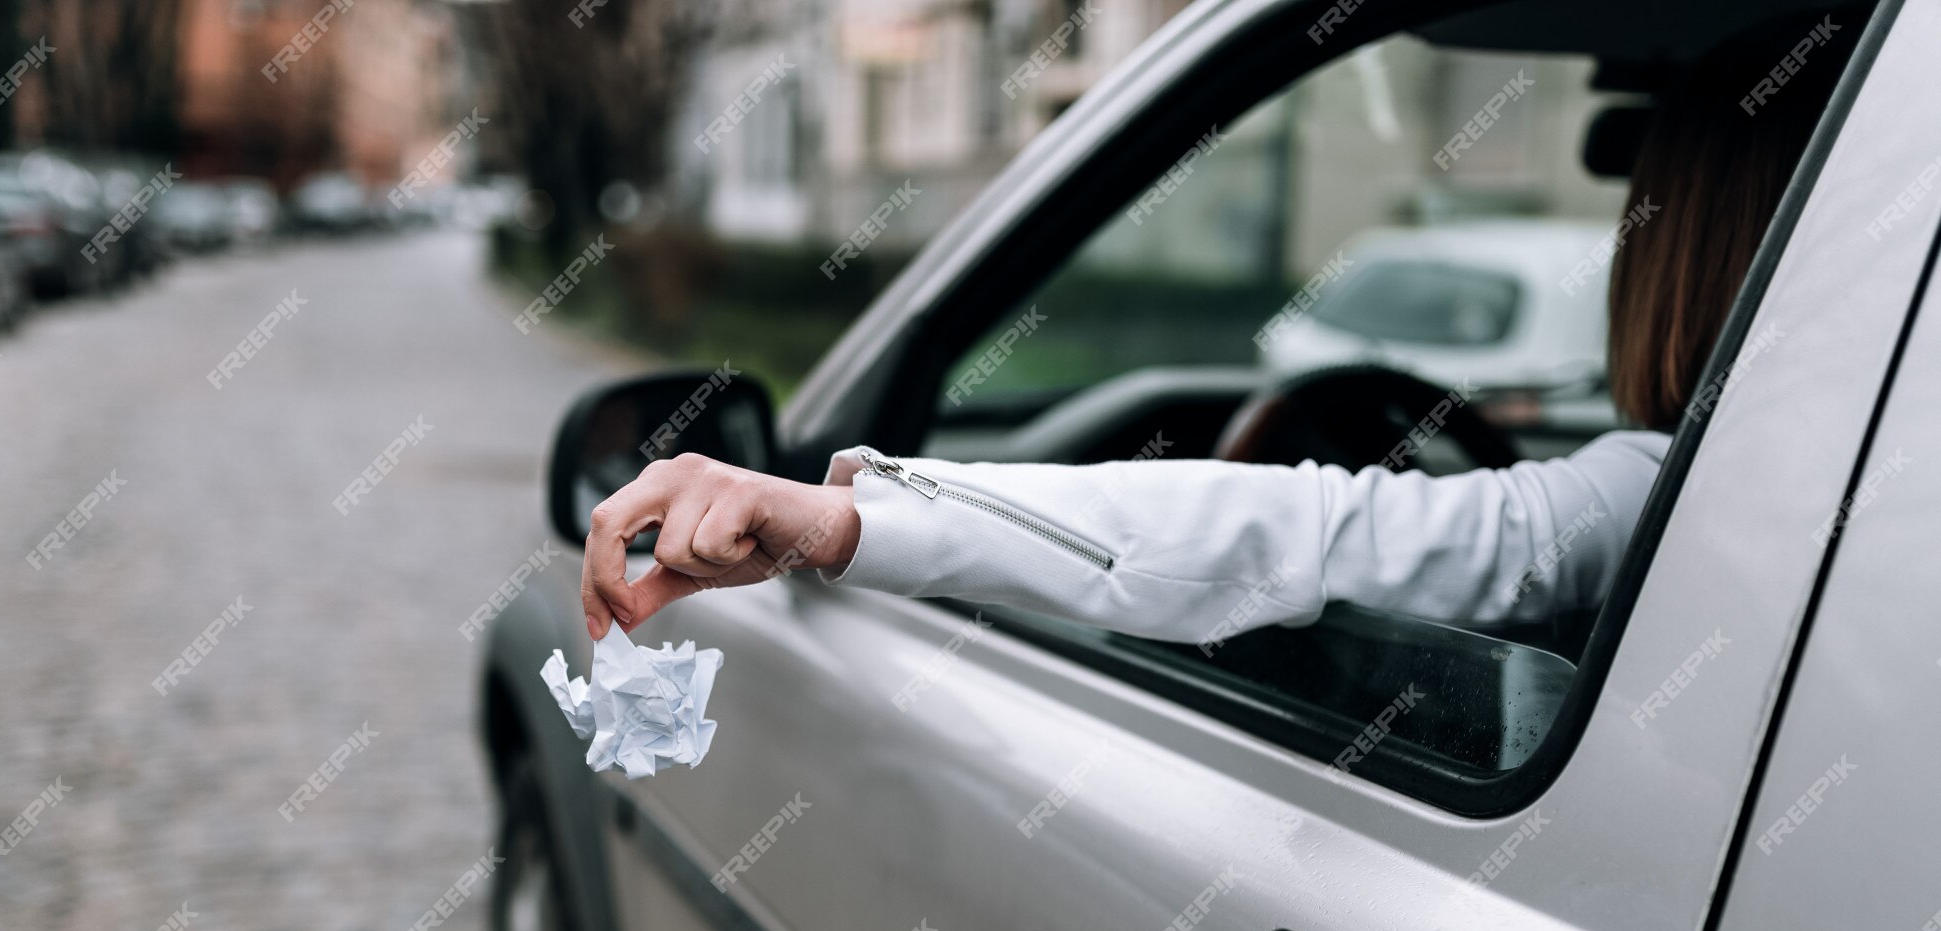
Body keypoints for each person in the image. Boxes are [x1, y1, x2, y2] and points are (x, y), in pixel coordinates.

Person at [579, 25, 1847, 647]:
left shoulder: (1664, 495)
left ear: (1679, 255)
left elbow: (1296, 531)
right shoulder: (1828, 475)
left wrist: (849, 518)